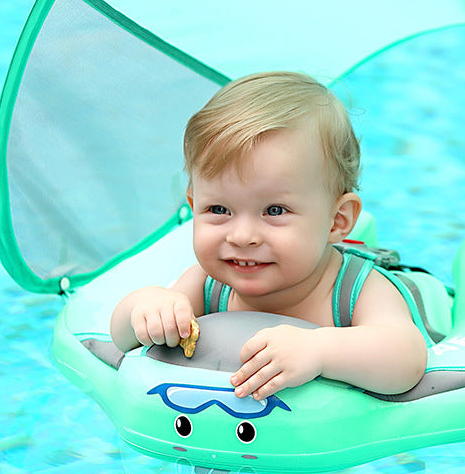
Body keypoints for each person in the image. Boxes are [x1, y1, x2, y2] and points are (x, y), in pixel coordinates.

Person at [110, 71, 428, 400]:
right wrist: (149, 307)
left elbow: (407, 359)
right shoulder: (208, 286)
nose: (242, 236)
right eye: (219, 209)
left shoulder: (355, 291)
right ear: (193, 205)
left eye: (274, 211)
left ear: (336, 220)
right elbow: (121, 335)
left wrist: (318, 349)